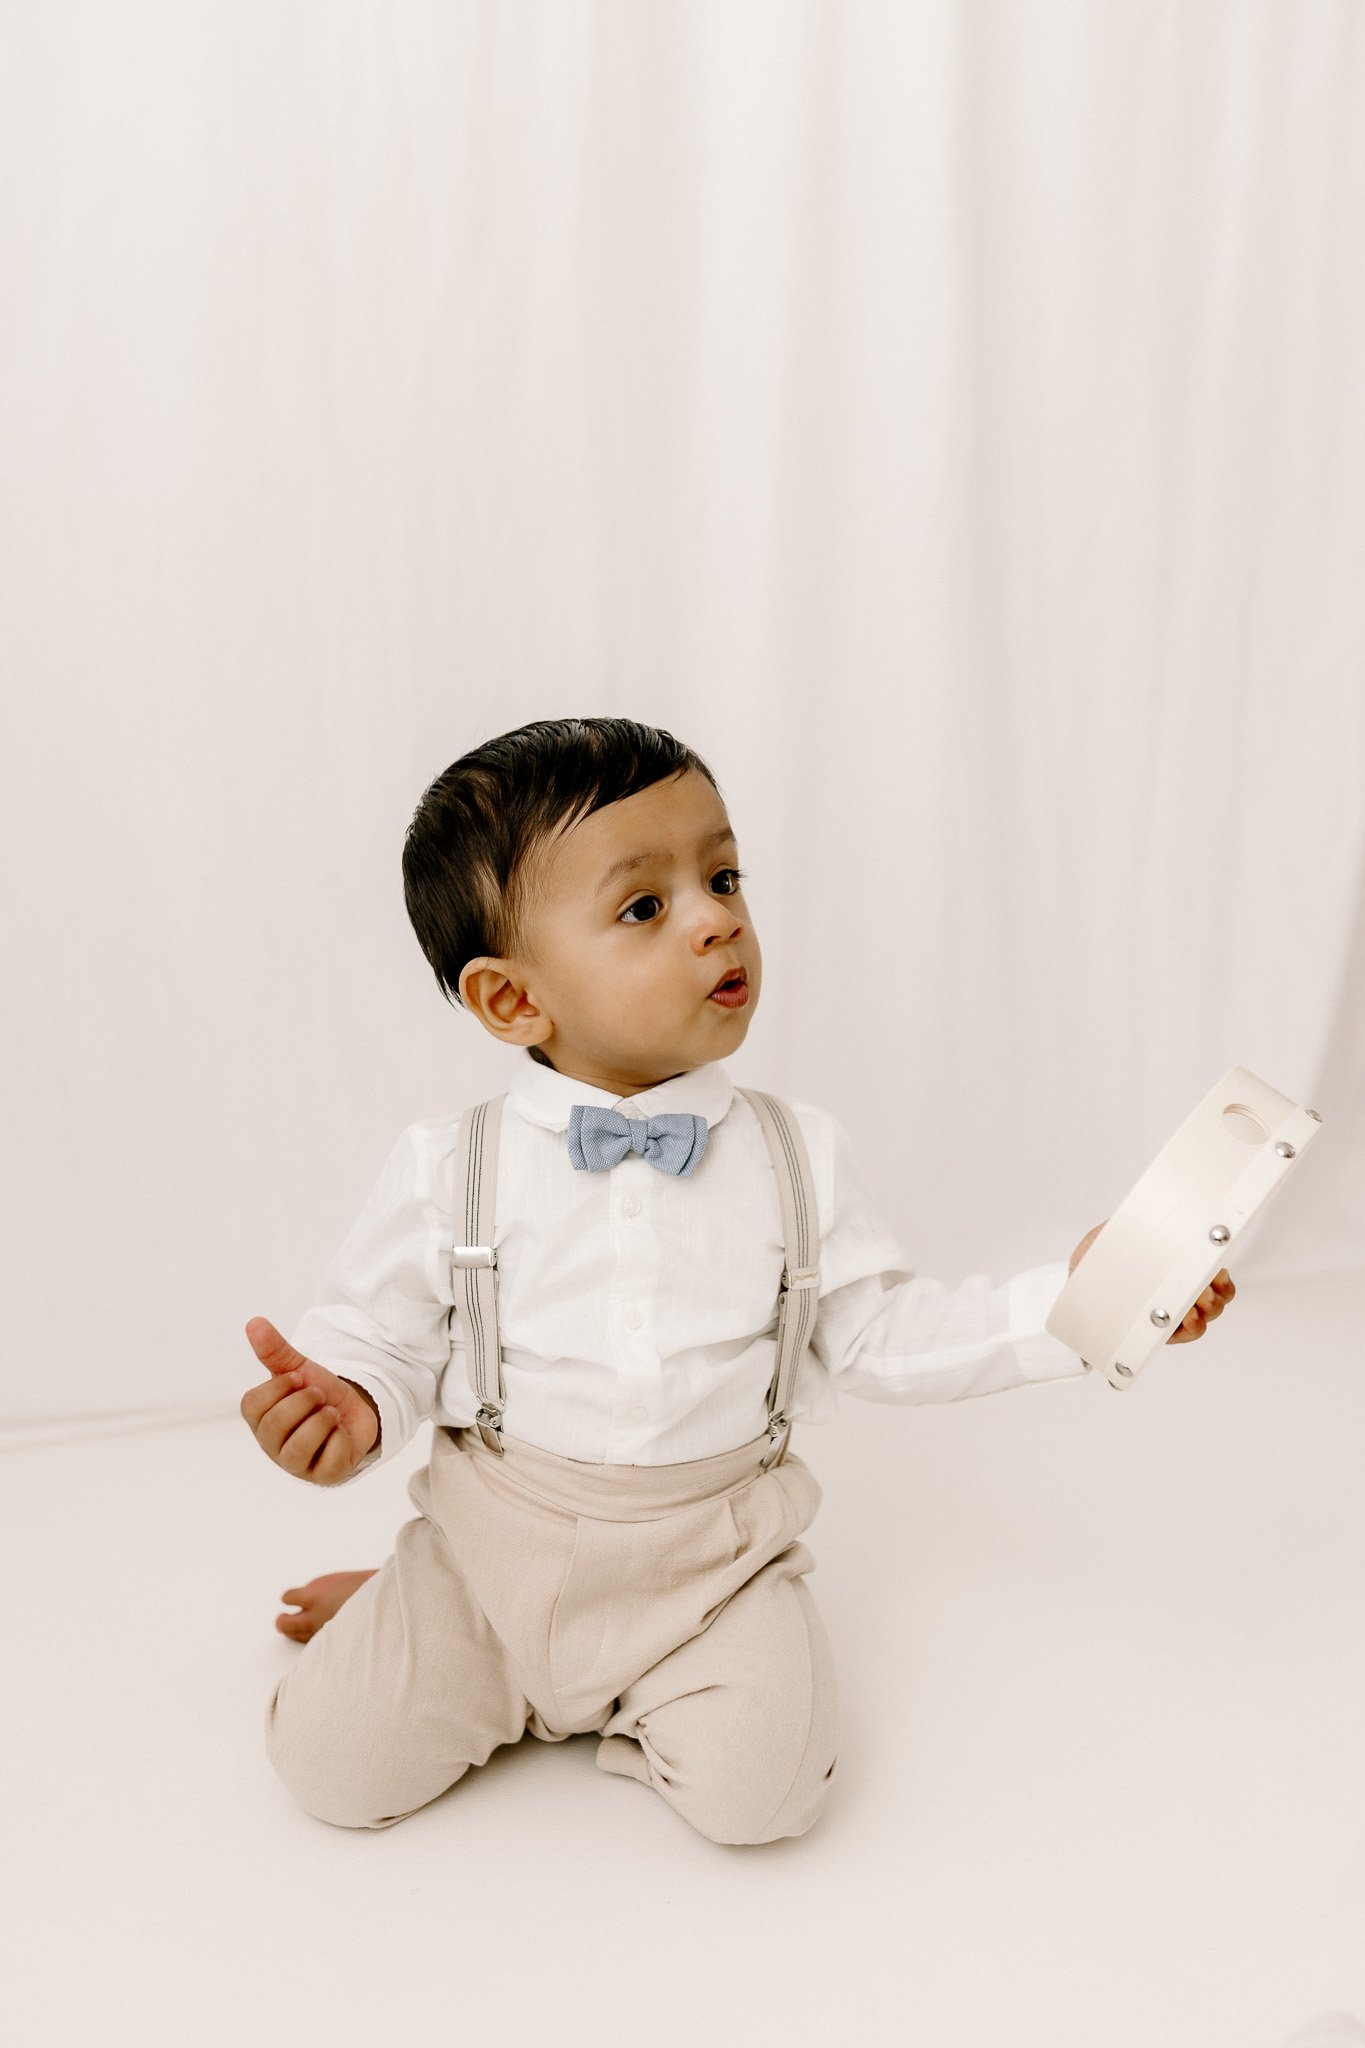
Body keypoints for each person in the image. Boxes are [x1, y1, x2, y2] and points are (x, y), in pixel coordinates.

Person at [240, 716, 1235, 1845]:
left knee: (765, 1798)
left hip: (707, 1566)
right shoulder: (447, 1164)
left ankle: (637, 1679)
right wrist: (350, 1406)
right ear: (514, 1000)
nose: (718, 916)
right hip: (486, 1554)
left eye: (722, 875)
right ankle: (415, 1612)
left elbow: (881, 1335)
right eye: (645, 905)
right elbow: (381, 1337)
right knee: (328, 1767)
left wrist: (1078, 1298)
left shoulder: (794, 1154)